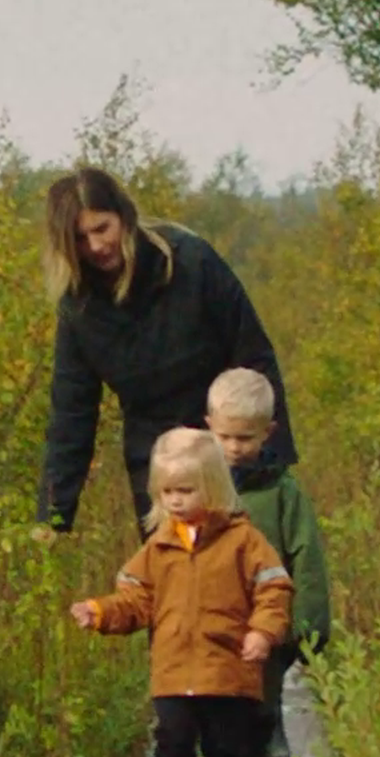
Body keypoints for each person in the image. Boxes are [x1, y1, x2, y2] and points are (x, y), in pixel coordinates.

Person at [66, 427, 294, 757]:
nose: (175, 500)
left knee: (224, 748)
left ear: (212, 488)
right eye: (167, 491)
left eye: (186, 490)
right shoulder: (160, 546)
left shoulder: (243, 541)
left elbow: (274, 587)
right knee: (172, 739)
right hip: (173, 668)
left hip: (225, 667)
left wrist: (263, 631)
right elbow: (137, 599)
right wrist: (100, 612)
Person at [37, 163, 296, 534]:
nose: (95, 246)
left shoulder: (191, 262)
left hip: (228, 452)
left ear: (123, 217)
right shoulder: (78, 309)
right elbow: (71, 416)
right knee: (174, 583)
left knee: (246, 577)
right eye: (80, 238)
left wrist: (269, 462)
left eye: (101, 228)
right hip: (158, 466)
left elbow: (254, 356)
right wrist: (53, 516)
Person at [204, 366, 328, 757]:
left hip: (266, 623)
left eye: (246, 438)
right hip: (213, 621)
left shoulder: (282, 492)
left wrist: (309, 626)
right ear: (208, 428)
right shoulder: (199, 487)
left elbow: (306, 555)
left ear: (267, 433)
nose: (235, 448)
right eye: (226, 437)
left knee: (258, 703)